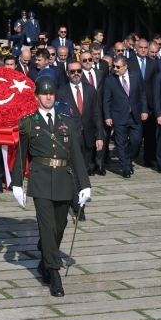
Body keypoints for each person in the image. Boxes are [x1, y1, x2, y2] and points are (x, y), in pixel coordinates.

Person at [11, 76, 91, 297]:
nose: (48, 96)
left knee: (60, 226)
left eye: (52, 93)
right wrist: (17, 184)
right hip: (41, 180)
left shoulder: (67, 121)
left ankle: (45, 261)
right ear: (37, 96)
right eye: (44, 93)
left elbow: (76, 154)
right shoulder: (28, 122)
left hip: (64, 179)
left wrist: (85, 185)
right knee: (46, 227)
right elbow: (21, 155)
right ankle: (54, 274)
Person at [57, 61, 104, 221]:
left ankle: (76, 198)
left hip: (88, 137)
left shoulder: (90, 90)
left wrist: (100, 136)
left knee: (82, 171)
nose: (76, 74)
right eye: (72, 71)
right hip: (70, 139)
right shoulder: (61, 92)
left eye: (78, 71)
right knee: (74, 173)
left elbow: (97, 113)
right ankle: (79, 208)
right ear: (67, 73)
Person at [103, 56, 148, 178]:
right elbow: (106, 100)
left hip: (135, 115)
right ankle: (125, 168)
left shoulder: (136, 75)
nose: (115, 69)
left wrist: (144, 110)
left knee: (137, 141)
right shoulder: (110, 80)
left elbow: (142, 94)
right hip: (119, 116)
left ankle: (127, 158)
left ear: (125, 66)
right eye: (114, 67)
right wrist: (108, 116)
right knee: (121, 143)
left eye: (118, 67)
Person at [129, 39, 160, 167]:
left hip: (150, 102)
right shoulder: (130, 62)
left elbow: (157, 82)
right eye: (141, 47)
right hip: (134, 101)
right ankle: (130, 157)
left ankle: (147, 159)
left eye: (145, 47)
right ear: (136, 48)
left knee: (150, 133)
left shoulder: (153, 63)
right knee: (135, 133)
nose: (143, 50)